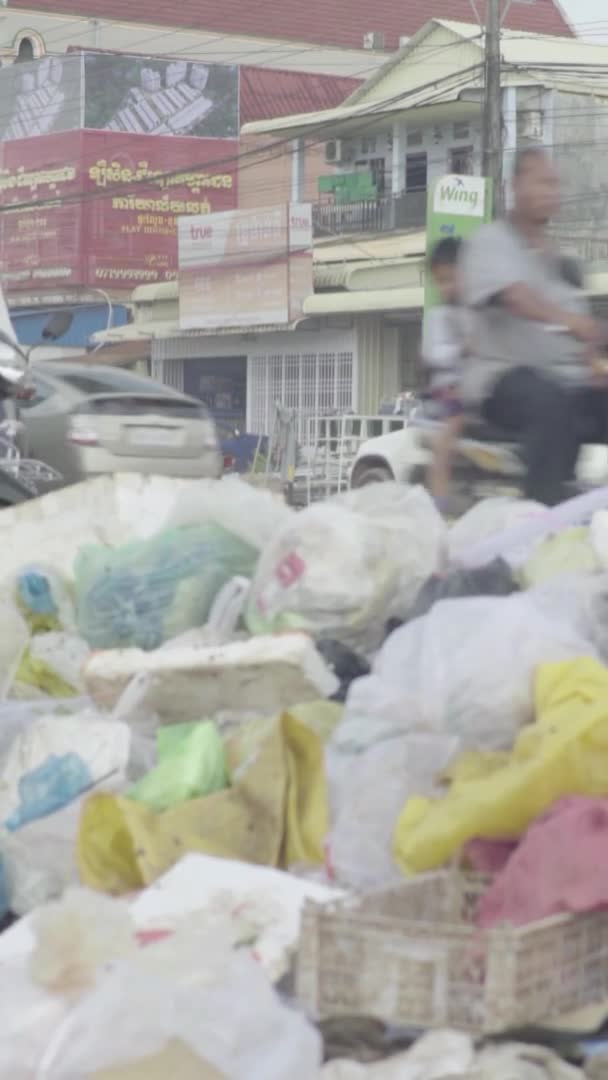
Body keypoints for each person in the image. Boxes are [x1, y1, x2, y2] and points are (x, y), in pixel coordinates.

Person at [459, 146, 605, 506]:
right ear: (516, 185)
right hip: (502, 380)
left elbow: (583, 337)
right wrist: (570, 321)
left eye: (555, 184)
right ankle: (542, 513)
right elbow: (515, 297)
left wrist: (594, 361)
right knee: (550, 402)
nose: (550, 191)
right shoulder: (492, 241)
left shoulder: (564, 261)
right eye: (541, 182)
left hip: (567, 380)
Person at [421, 236, 471, 503]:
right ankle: (438, 502)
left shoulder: (477, 313)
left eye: (452, 279)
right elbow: (433, 354)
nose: (447, 288)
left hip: (475, 389)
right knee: (449, 432)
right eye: (441, 281)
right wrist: (462, 350)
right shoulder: (436, 318)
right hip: (447, 393)